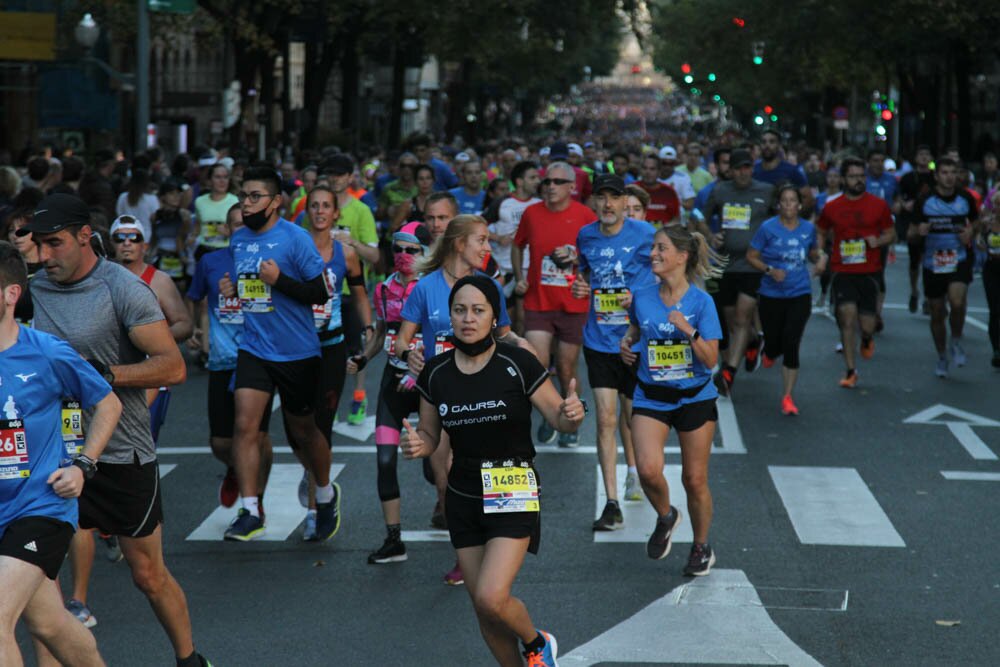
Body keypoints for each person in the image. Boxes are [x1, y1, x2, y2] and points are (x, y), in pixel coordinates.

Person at [21, 194, 211, 666]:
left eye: (54, 244)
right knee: (43, 583)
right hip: (52, 458)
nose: (44, 257)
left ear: (85, 236)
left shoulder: (121, 288)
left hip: (121, 452)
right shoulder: (31, 291)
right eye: (38, 246)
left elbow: (171, 368)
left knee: (148, 574)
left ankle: (189, 659)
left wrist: (102, 374)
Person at [401, 274, 583, 667]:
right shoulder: (435, 372)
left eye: (478, 310)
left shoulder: (517, 362)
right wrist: (420, 445)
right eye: (460, 310)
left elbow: (558, 417)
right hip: (463, 493)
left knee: (491, 595)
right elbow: (431, 433)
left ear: (493, 316)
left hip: (512, 485)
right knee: (483, 609)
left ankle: (537, 643)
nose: (468, 318)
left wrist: (572, 415)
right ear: (450, 315)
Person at [0, 241, 121, 667]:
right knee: (49, 624)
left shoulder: (46, 352)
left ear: (11, 295)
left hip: (40, 505)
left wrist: (83, 466)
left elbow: (107, 403)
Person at [219, 166, 341, 542]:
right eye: (243, 195)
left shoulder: (295, 239)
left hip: (297, 352)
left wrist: (280, 282)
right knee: (245, 425)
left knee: (304, 431)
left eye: (255, 196)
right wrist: (234, 290)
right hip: (254, 347)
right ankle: (251, 510)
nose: (246, 202)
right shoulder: (238, 240)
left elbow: (320, 293)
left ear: (275, 202)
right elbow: (250, 290)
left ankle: (324, 494)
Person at [396, 214, 519, 585]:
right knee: (443, 475)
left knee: (486, 470)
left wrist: (523, 349)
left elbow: (505, 335)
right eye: (480, 240)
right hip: (439, 392)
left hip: (485, 393)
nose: (487, 247)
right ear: (458, 243)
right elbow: (403, 339)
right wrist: (409, 356)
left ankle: (494, 544)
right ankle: (463, 550)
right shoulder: (425, 287)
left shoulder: (488, 286)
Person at [619, 225, 722, 577]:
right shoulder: (642, 294)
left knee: (694, 479)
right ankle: (666, 516)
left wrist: (688, 330)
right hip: (651, 394)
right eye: (653, 248)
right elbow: (636, 329)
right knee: (647, 469)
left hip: (694, 397)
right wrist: (627, 343)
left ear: (682, 256)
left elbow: (710, 359)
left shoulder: (701, 302)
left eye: (661, 249)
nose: (653, 255)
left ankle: (701, 546)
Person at [572, 174, 656, 527]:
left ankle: (637, 473)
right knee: (605, 419)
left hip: (635, 340)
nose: (607, 204)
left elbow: (664, 278)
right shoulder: (585, 236)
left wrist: (639, 298)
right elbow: (587, 275)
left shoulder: (647, 236)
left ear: (626, 202)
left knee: (632, 417)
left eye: (614, 198)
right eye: (601, 197)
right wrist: (581, 287)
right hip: (598, 339)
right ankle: (611, 503)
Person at [348, 222, 431, 563]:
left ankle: (457, 528)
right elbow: (382, 332)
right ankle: (394, 539)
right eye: (397, 249)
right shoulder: (384, 289)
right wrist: (363, 356)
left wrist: (419, 372)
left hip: (428, 387)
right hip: (392, 384)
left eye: (411, 250)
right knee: (384, 461)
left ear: (426, 252)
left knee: (436, 467)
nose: (402, 256)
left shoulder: (434, 288)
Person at [186, 204, 274, 511]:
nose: (239, 229)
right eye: (234, 224)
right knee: (221, 442)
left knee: (256, 436)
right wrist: (196, 329)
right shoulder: (210, 261)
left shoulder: (265, 261)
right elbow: (194, 297)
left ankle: (256, 500)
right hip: (222, 360)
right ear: (226, 230)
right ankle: (238, 468)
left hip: (258, 359)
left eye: (245, 224)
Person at [296, 185, 371, 539]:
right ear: (307, 210)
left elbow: (359, 295)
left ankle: (316, 507)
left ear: (335, 214)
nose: (321, 211)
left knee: (321, 425)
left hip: (331, 347)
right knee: (297, 429)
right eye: (315, 206)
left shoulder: (346, 254)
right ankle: (313, 470)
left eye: (327, 206)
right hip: (295, 347)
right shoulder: (293, 248)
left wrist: (369, 327)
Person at [513, 161, 593, 448]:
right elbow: (517, 244)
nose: (550, 186)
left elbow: (595, 256)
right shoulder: (532, 213)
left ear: (572, 187)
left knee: (567, 367)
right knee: (537, 364)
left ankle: (571, 420)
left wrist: (575, 256)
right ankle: (550, 415)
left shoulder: (585, 215)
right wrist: (520, 278)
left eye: (558, 182)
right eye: (547, 181)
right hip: (539, 302)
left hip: (573, 303)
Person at [746, 185, 826, 415]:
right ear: (779, 205)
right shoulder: (767, 228)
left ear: (800, 205)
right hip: (771, 293)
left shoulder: (808, 228)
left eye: (793, 201)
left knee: (792, 341)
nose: (789, 205)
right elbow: (751, 256)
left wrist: (821, 258)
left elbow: (813, 252)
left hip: (799, 292)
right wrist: (770, 269)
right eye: (785, 200)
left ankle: (787, 396)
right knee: (773, 340)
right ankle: (769, 351)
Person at [817, 157, 895, 387]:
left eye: (862, 176)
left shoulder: (878, 205)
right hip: (843, 270)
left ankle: (867, 339)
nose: (858, 180)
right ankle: (851, 370)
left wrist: (878, 240)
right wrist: (822, 253)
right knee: (847, 317)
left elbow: (891, 234)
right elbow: (820, 230)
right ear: (843, 179)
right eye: (853, 176)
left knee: (867, 324)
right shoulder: (832, 206)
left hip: (870, 271)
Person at [701, 149, 774, 396]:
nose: (744, 172)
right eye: (739, 168)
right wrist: (711, 234)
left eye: (748, 167)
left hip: (752, 265)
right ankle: (753, 341)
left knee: (743, 317)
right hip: (725, 264)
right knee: (733, 322)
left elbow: (781, 218)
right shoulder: (720, 190)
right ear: (730, 170)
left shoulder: (765, 191)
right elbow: (699, 215)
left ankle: (729, 371)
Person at [319, 154, 380, 427]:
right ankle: (321, 396)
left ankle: (359, 395)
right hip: (319, 290)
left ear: (350, 177)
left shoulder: (360, 210)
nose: (336, 178)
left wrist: (351, 241)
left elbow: (376, 256)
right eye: (331, 173)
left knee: (357, 344)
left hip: (350, 289)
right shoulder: (314, 208)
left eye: (341, 174)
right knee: (321, 346)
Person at [910, 157, 980, 377]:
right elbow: (910, 233)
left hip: (959, 258)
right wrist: (918, 231)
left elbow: (977, 220)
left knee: (957, 302)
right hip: (933, 262)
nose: (950, 177)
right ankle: (942, 356)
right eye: (945, 172)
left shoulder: (965, 197)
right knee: (937, 311)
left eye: (953, 172)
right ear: (936, 176)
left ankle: (956, 340)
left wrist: (972, 231)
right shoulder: (925, 200)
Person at [488, 161, 541, 334]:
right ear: (519, 181)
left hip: (529, 270)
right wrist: (497, 237)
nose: (537, 181)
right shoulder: (502, 203)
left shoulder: (540, 204)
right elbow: (477, 225)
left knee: (523, 319)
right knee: (502, 322)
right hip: (503, 271)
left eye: (537, 177)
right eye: (532, 177)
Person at [898, 145, 935, 313]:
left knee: (930, 261)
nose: (924, 157)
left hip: (931, 223)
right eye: (921, 154)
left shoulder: (936, 177)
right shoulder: (907, 177)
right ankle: (914, 291)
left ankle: (929, 297)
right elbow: (899, 197)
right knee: (915, 262)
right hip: (913, 222)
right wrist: (905, 204)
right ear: (915, 158)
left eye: (927, 154)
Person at [752, 130, 814, 214]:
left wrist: (792, 215)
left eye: (772, 142)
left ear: (779, 145)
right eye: (764, 142)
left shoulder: (791, 170)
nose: (767, 145)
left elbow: (808, 198)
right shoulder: (753, 170)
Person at [149, 178, 192, 290]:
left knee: (180, 289)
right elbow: (154, 238)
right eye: (172, 194)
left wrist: (184, 256)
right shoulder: (155, 216)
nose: (176, 196)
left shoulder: (184, 215)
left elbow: (185, 237)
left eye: (178, 193)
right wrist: (149, 255)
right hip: (161, 257)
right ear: (163, 197)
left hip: (180, 258)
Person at [193, 163, 238, 260]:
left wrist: (229, 232)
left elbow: (243, 230)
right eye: (218, 177)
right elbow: (197, 225)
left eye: (225, 177)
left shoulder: (235, 201)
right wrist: (192, 237)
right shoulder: (199, 201)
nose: (222, 181)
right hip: (204, 250)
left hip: (226, 250)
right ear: (209, 180)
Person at [636, 154, 681, 227]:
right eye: (645, 168)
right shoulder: (632, 189)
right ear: (640, 170)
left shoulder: (669, 192)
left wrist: (663, 231)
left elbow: (676, 219)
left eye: (652, 169)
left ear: (659, 172)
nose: (648, 172)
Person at [981, 192, 1000, 367]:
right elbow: (979, 243)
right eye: (997, 204)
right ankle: (996, 350)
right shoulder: (987, 225)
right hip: (991, 270)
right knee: (994, 311)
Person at [115, 168, 158, 239]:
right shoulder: (152, 198)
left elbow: (119, 214)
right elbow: (155, 218)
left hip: (126, 235)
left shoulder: (123, 197)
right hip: (146, 236)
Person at [391, 164, 435, 231]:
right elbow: (394, 228)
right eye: (421, 179)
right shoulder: (408, 204)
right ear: (415, 182)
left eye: (428, 178)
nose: (425, 182)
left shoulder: (441, 202)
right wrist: (413, 226)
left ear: (433, 181)